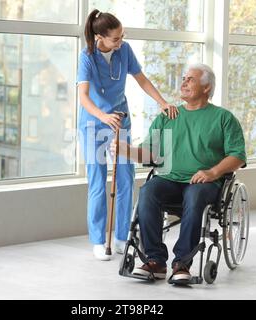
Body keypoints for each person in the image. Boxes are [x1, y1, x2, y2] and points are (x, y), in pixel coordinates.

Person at [111, 63, 246, 281]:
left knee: (194, 196)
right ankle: (154, 260)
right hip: (169, 179)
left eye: (190, 79)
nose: (183, 82)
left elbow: (238, 155)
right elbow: (150, 154)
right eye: (183, 78)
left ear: (206, 88)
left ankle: (182, 263)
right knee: (148, 192)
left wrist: (212, 173)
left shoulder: (223, 118)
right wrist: (125, 151)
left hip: (204, 183)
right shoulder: (168, 116)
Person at [77, 9, 178, 261]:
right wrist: (102, 117)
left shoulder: (125, 50)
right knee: (99, 183)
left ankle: (122, 237)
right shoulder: (87, 57)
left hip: (121, 122)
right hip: (94, 125)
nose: (120, 42)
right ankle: (99, 240)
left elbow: (141, 80)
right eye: (115, 39)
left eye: (122, 36)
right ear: (99, 36)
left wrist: (161, 102)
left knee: (125, 179)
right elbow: (83, 97)